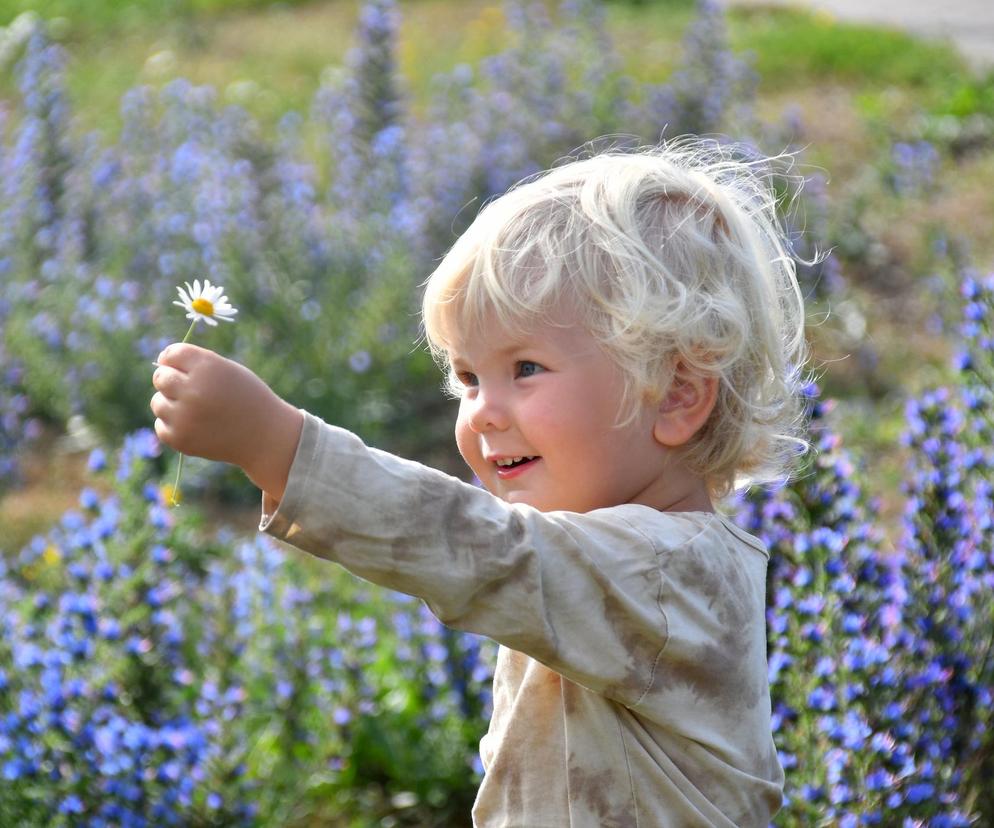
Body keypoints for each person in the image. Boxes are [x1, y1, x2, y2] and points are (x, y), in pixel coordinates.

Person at [150, 138, 808, 827]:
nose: (483, 412)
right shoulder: (618, 556)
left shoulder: (668, 571)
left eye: (525, 368)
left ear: (675, 394)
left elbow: (479, 551)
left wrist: (277, 445)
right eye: (468, 378)